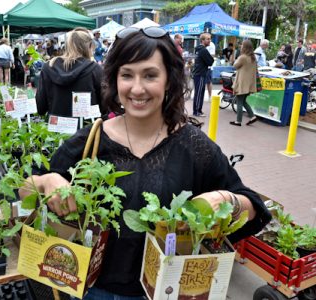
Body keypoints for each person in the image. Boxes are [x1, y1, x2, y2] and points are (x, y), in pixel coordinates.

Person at [20, 26, 271, 299]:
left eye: (150, 75)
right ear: (115, 80)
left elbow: (253, 207)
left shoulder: (194, 146)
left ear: (169, 80)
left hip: (170, 291)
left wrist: (225, 200)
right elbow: (24, 189)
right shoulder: (91, 140)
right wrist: (47, 181)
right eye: (127, 75)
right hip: (95, 290)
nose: (137, 88)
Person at [35, 27, 104, 117]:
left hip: (55, 128)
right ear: (89, 46)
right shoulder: (95, 69)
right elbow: (105, 106)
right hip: (88, 129)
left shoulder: (49, 66)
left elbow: (40, 107)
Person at [230, 40, 258, 127]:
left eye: (242, 45)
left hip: (242, 83)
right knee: (243, 101)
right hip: (249, 84)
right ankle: (252, 116)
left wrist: (236, 57)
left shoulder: (243, 57)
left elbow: (234, 65)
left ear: (245, 47)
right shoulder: (253, 58)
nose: (241, 46)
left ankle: (238, 121)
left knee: (239, 101)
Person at [192, 33, 214, 117]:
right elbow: (210, 61)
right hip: (200, 73)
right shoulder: (203, 50)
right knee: (199, 93)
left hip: (198, 73)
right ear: (202, 40)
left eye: (209, 39)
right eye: (207, 39)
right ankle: (197, 111)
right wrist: (210, 59)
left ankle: (198, 110)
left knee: (199, 92)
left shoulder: (198, 49)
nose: (209, 40)